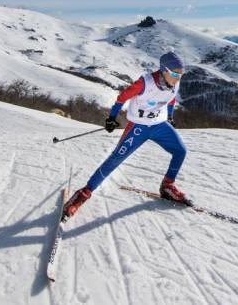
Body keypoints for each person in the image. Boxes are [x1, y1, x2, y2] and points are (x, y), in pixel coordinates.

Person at [62, 51, 189, 221]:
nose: (178, 78)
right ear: (164, 70)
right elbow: (122, 97)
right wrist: (112, 118)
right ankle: (84, 193)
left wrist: (170, 117)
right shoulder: (145, 83)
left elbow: (171, 99)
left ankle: (167, 186)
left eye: (181, 74)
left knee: (180, 151)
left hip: (159, 125)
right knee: (115, 160)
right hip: (138, 127)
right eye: (175, 74)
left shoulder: (174, 83)